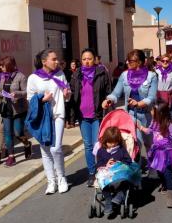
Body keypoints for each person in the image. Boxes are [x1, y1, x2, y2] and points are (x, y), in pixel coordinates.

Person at [27, 49, 72, 194]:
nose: (57, 61)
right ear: (44, 61)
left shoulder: (60, 74)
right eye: (53, 59)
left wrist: (67, 94)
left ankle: (61, 178)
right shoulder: (33, 78)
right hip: (42, 118)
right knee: (45, 150)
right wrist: (41, 99)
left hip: (57, 115)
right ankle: (51, 181)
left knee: (56, 148)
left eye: (57, 58)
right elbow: (30, 99)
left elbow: (67, 92)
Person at [102, 49, 158, 162]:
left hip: (147, 114)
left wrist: (139, 103)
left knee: (149, 144)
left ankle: (153, 170)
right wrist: (109, 100)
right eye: (127, 60)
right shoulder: (124, 75)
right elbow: (116, 93)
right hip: (131, 115)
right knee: (134, 144)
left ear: (140, 62)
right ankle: (135, 173)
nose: (127, 63)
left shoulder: (151, 76)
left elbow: (152, 97)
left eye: (130, 61)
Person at [70, 48, 112, 187]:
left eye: (89, 58)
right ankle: (91, 172)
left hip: (97, 115)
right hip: (83, 117)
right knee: (88, 146)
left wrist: (108, 105)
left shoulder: (101, 73)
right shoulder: (76, 75)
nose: (87, 61)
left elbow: (108, 92)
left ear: (94, 59)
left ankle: (101, 171)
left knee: (98, 145)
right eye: (84, 59)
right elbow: (72, 95)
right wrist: (71, 117)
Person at [137, 100, 172, 208]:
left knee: (167, 172)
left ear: (160, 113)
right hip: (157, 152)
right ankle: (164, 184)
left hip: (167, 152)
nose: (151, 112)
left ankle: (171, 194)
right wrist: (140, 127)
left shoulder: (169, 126)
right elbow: (149, 131)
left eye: (153, 110)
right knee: (159, 171)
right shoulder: (154, 122)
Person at [0, 56, 31, 167]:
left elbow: (26, 92)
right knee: (7, 133)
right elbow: (2, 93)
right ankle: (11, 157)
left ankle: (27, 143)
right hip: (6, 109)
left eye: (2, 66)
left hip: (18, 110)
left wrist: (17, 94)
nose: (1, 68)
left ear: (9, 66)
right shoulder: (3, 78)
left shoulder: (21, 77)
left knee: (18, 133)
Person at [95, 126, 133, 217]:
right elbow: (98, 165)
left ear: (118, 141)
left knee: (125, 181)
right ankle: (108, 201)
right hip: (107, 175)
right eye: (109, 142)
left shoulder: (121, 150)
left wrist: (119, 163)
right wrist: (106, 164)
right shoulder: (101, 151)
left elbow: (128, 161)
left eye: (114, 143)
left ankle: (118, 197)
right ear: (105, 141)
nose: (112, 145)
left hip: (119, 174)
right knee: (102, 182)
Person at [155, 54, 172, 119]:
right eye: (163, 61)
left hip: (170, 97)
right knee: (160, 117)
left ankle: (170, 128)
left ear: (169, 62)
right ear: (161, 62)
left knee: (169, 118)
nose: (165, 62)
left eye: (167, 61)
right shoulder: (156, 71)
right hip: (159, 97)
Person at [64, 60, 79, 129]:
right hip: (68, 91)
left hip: (75, 92)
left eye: (74, 64)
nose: (73, 65)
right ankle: (67, 122)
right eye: (72, 64)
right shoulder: (67, 72)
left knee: (73, 107)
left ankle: (72, 122)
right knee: (67, 107)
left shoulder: (78, 71)